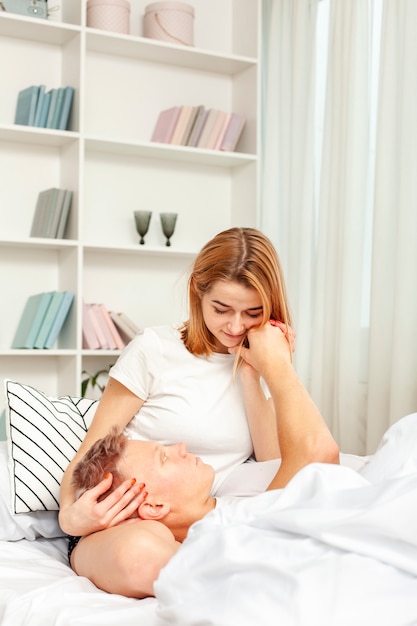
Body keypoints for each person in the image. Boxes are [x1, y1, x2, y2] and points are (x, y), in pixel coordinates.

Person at [59, 227, 294, 596]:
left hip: (212, 520)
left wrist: (252, 372)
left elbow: (273, 466)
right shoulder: (154, 349)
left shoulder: (267, 360)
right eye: (221, 309)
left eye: (252, 312)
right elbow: (93, 447)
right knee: (140, 558)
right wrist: (70, 518)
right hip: (130, 519)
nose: (235, 326)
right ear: (197, 293)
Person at [71, 322, 340, 596]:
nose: (182, 448)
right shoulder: (232, 526)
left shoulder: (235, 501)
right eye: (164, 456)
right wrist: (278, 364)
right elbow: (318, 454)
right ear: (152, 506)